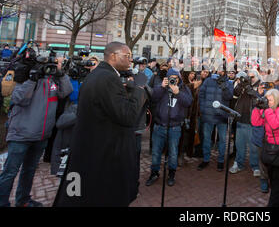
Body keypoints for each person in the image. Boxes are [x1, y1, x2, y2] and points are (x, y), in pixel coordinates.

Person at [53, 42, 145, 207]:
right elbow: (127, 116)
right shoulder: (108, 78)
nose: (131, 60)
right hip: (104, 153)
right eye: (127, 56)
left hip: (93, 148)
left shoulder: (99, 75)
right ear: (113, 56)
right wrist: (139, 91)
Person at [0, 58, 73, 207]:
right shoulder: (26, 77)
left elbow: (66, 92)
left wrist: (61, 74)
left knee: (29, 170)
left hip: (41, 134)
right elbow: (19, 98)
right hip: (21, 134)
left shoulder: (52, 80)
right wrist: (32, 79)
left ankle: (23, 200)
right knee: (10, 172)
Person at [146, 68, 193, 187]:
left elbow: (188, 102)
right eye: (171, 77)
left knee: (173, 152)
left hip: (174, 127)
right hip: (159, 126)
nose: (173, 80)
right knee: (156, 152)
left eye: (176, 78)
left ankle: (171, 174)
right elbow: (153, 98)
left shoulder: (183, 89)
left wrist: (178, 93)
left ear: (179, 79)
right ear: (167, 78)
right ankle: (154, 173)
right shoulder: (162, 87)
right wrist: (162, 87)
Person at [251, 89, 279, 206]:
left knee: (278, 183)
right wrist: (257, 108)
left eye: (270, 100)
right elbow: (256, 122)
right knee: (274, 181)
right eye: (266, 99)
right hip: (270, 149)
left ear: (277, 99)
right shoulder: (269, 110)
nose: (267, 102)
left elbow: (274, 125)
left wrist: (267, 109)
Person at [196, 68, 234, 171]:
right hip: (208, 115)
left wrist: (224, 87)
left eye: (223, 69)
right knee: (207, 139)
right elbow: (201, 94)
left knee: (222, 140)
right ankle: (206, 159)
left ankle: (221, 161)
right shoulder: (208, 81)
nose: (221, 71)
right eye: (219, 69)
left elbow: (229, 97)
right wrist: (203, 109)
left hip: (221, 116)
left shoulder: (229, 82)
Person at [231, 69, 262, 175]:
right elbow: (235, 93)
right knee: (239, 145)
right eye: (249, 76)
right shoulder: (244, 85)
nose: (250, 79)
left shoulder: (260, 86)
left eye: (252, 77)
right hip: (240, 119)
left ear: (257, 77)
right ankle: (239, 164)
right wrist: (241, 84)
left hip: (252, 121)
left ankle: (255, 166)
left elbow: (260, 100)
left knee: (253, 146)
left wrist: (250, 89)